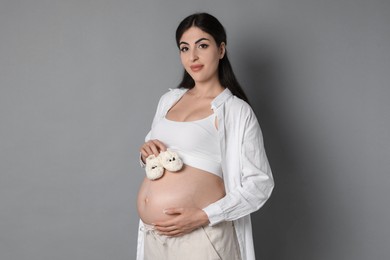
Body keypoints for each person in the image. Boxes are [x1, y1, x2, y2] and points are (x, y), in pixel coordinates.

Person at [136, 12, 274, 260]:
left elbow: (260, 184)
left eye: (202, 45)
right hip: (154, 238)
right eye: (184, 48)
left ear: (221, 50)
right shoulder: (168, 101)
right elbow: (155, 155)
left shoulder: (235, 111)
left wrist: (203, 216)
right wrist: (146, 153)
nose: (193, 56)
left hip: (202, 238)